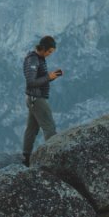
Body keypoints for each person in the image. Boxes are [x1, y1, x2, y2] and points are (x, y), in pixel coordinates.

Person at [22, 35, 63, 166]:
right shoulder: (33, 60)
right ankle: (53, 158)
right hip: (37, 98)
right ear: (44, 48)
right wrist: (48, 77)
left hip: (33, 98)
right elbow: (31, 82)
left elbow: (39, 78)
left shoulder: (39, 58)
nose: (50, 54)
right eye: (50, 52)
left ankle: (26, 157)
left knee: (32, 129)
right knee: (49, 126)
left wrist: (51, 77)